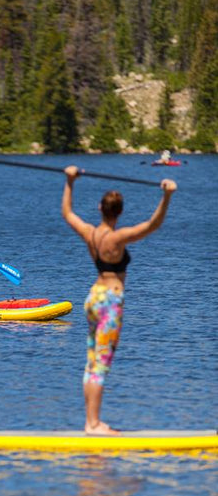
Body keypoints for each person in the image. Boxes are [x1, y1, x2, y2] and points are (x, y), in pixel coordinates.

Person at [62, 166, 177, 434]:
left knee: (93, 361)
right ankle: (93, 424)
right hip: (110, 301)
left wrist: (69, 181)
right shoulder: (118, 237)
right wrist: (167, 196)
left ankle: (91, 421)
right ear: (120, 212)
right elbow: (152, 225)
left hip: (93, 297)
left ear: (100, 208)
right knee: (100, 362)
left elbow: (67, 213)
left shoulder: (90, 233)